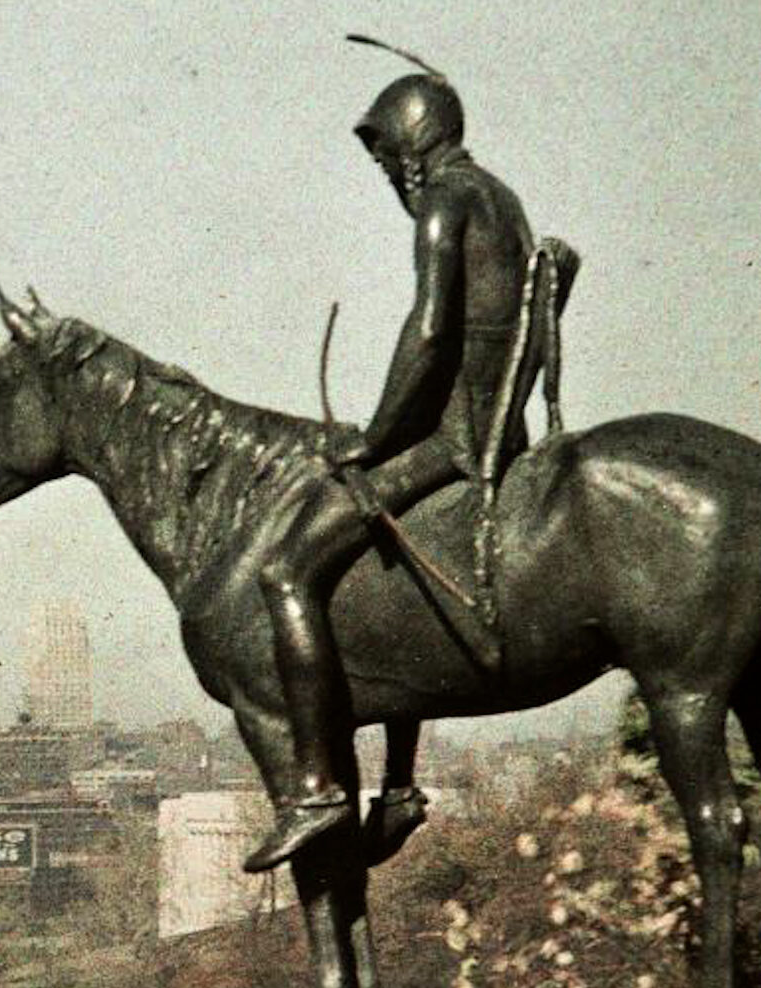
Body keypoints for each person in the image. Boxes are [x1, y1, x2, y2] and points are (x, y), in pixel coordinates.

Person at [243, 61, 537, 873]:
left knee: (287, 570)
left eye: (383, 156)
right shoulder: (500, 198)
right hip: (491, 429)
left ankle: (318, 789)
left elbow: (433, 330)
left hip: (457, 441)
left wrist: (371, 441)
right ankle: (399, 787)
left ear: (411, 138)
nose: (382, 173)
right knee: (385, 553)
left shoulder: (445, 201)